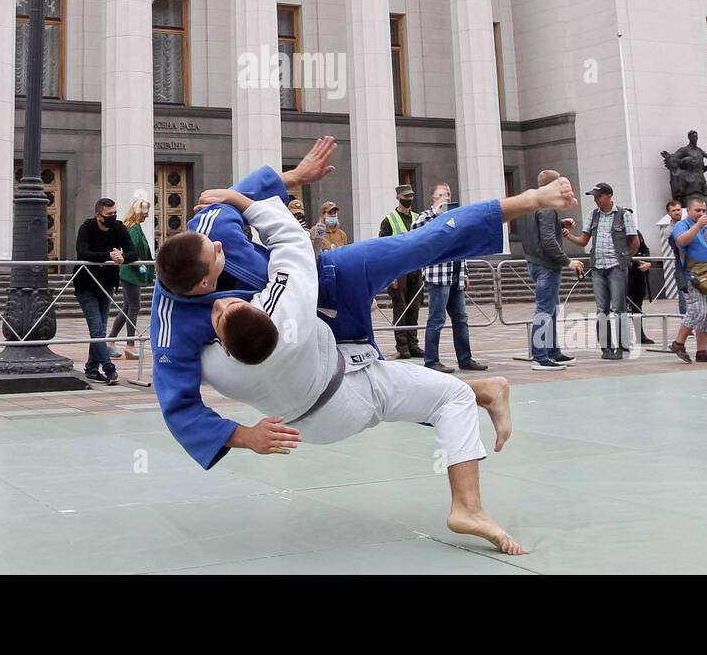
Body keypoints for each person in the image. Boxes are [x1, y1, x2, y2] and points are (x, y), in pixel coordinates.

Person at [150, 144, 578, 554]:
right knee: (376, 391)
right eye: (216, 256)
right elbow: (179, 406)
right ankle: (477, 397)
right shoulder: (173, 332)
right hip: (310, 332)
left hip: (325, 277)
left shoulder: (211, 227)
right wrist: (245, 437)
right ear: (203, 286)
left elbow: (235, 198)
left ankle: (528, 198)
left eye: (215, 239)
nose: (221, 244)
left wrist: (294, 177)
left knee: (421, 243)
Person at [563, 183, 639, 359]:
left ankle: (623, 347)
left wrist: (626, 257)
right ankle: (605, 347)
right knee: (601, 308)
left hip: (616, 266)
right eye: (594, 197)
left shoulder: (623, 214)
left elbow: (634, 241)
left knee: (619, 307)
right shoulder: (593, 215)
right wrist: (569, 236)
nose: (596, 200)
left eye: (598, 196)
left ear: (608, 196)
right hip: (598, 266)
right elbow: (583, 240)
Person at [419, 183, 487, 374]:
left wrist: (464, 273)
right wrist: (438, 215)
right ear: (433, 198)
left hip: (455, 274)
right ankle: (431, 359)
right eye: (441, 194)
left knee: (461, 318)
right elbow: (417, 231)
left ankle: (465, 358)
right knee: (436, 318)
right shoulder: (426, 217)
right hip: (438, 276)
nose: (446, 198)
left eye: (448, 194)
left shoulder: (457, 217)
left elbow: (462, 246)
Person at [519, 169, 583, 370]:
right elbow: (547, 240)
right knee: (546, 310)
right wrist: (568, 262)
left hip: (535, 261)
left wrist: (559, 224)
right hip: (546, 264)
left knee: (551, 309)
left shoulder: (533, 204)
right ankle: (540, 355)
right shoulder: (547, 207)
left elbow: (538, 231)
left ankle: (552, 351)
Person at [75, 197, 132, 385]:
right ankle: (109, 368)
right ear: (98, 216)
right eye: (109, 214)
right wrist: (107, 255)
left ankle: (91, 368)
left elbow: (133, 251)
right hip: (86, 285)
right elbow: (82, 252)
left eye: (115, 213)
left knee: (99, 329)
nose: (113, 217)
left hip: (107, 285)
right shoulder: (87, 227)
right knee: (97, 329)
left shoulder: (118, 227)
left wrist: (122, 257)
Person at [668, 196, 707, 364]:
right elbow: (681, 240)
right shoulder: (681, 225)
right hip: (692, 275)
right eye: (698, 210)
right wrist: (698, 225)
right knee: (697, 311)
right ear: (689, 211)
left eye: (704, 211)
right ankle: (678, 343)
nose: (701, 213)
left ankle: (702, 351)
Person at [379, 183, 424, 358]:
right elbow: (383, 249)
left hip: (415, 269)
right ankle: (402, 346)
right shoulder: (389, 220)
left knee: (414, 308)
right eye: (405, 197)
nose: (409, 199)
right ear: (398, 197)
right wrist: (390, 275)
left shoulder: (418, 217)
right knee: (401, 308)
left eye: (411, 196)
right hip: (398, 271)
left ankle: (413, 344)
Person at [110, 197, 154, 360]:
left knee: (127, 308)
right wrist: (139, 266)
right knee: (133, 307)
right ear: (138, 212)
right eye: (146, 211)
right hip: (131, 273)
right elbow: (132, 252)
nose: (147, 215)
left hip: (129, 272)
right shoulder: (134, 229)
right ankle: (130, 344)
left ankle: (111, 341)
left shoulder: (134, 227)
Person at [625, 231, 656, 346]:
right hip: (623, 274)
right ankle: (623, 336)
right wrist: (636, 262)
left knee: (637, 306)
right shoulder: (615, 233)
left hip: (638, 275)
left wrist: (648, 263)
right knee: (622, 307)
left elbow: (645, 250)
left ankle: (640, 335)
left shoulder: (636, 233)